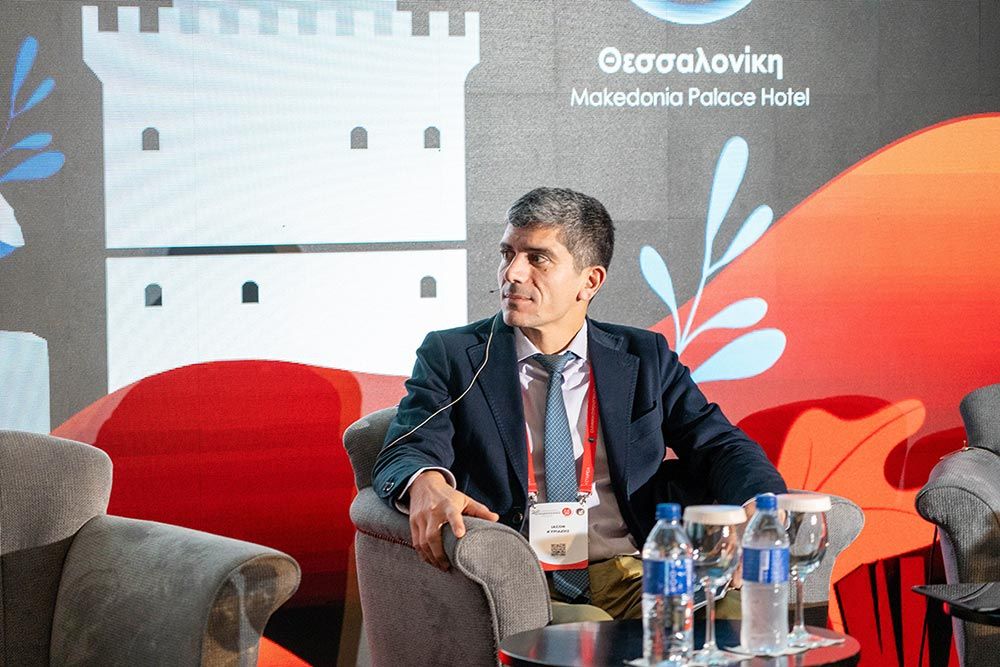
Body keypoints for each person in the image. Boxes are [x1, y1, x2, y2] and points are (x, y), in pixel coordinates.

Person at [372, 187, 786, 621]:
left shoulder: (644, 357)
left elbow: (719, 444)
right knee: (588, 630)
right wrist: (425, 481)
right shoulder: (455, 356)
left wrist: (759, 504)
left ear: (590, 281)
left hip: (632, 571)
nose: (512, 273)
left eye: (537, 258)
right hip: (517, 577)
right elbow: (407, 448)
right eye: (507, 253)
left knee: (743, 614)